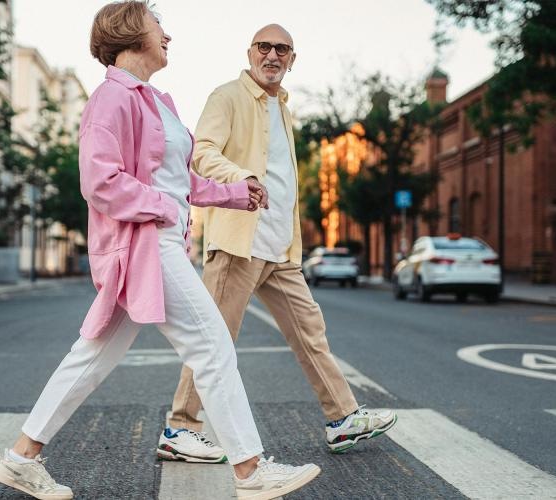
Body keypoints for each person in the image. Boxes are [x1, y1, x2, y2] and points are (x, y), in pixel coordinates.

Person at [0, 3, 320, 499]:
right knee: (212, 348)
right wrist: (163, 207)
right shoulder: (110, 97)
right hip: (144, 244)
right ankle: (250, 471)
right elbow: (99, 181)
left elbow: (178, 179)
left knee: (91, 357)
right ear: (130, 33)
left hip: (157, 240)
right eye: (158, 25)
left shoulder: (155, 100)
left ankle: (20, 458)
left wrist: (234, 192)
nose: (168, 35)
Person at [160, 23, 397, 462]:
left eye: (282, 49)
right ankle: (180, 428)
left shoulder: (283, 108)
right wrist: (240, 177)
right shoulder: (227, 96)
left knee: (311, 332)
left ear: (292, 58)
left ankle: (342, 418)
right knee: (215, 339)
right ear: (250, 52)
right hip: (238, 243)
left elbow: (284, 178)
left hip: (280, 248)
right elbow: (202, 152)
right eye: (264, 47)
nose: (272, 55)